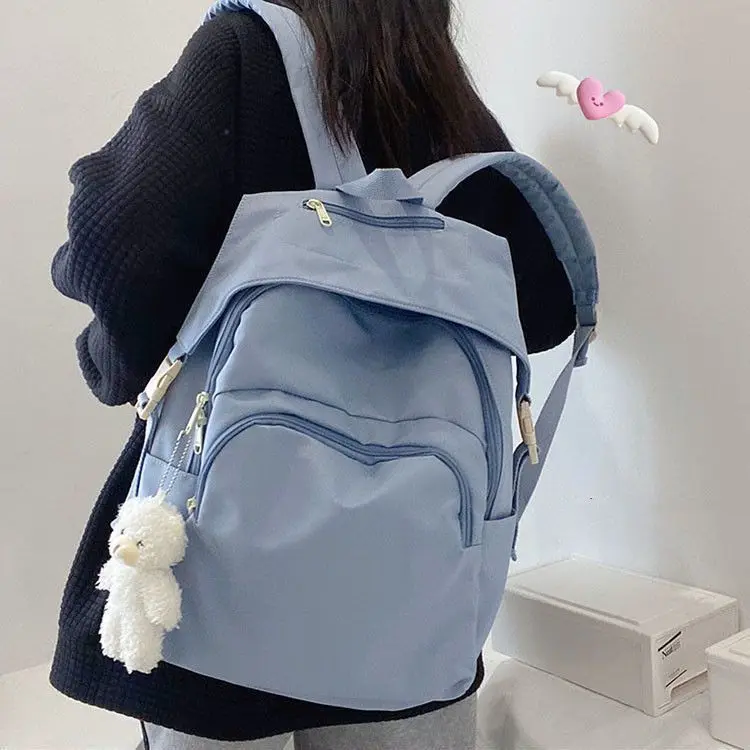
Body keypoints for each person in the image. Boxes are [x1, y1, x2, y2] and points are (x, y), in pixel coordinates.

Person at [50, 1, 576, 747]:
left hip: (221, 570)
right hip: (411, 598)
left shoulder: (242, 50)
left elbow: (116, 242)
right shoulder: (440, 95)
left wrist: (114, 362)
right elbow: (545, 309)